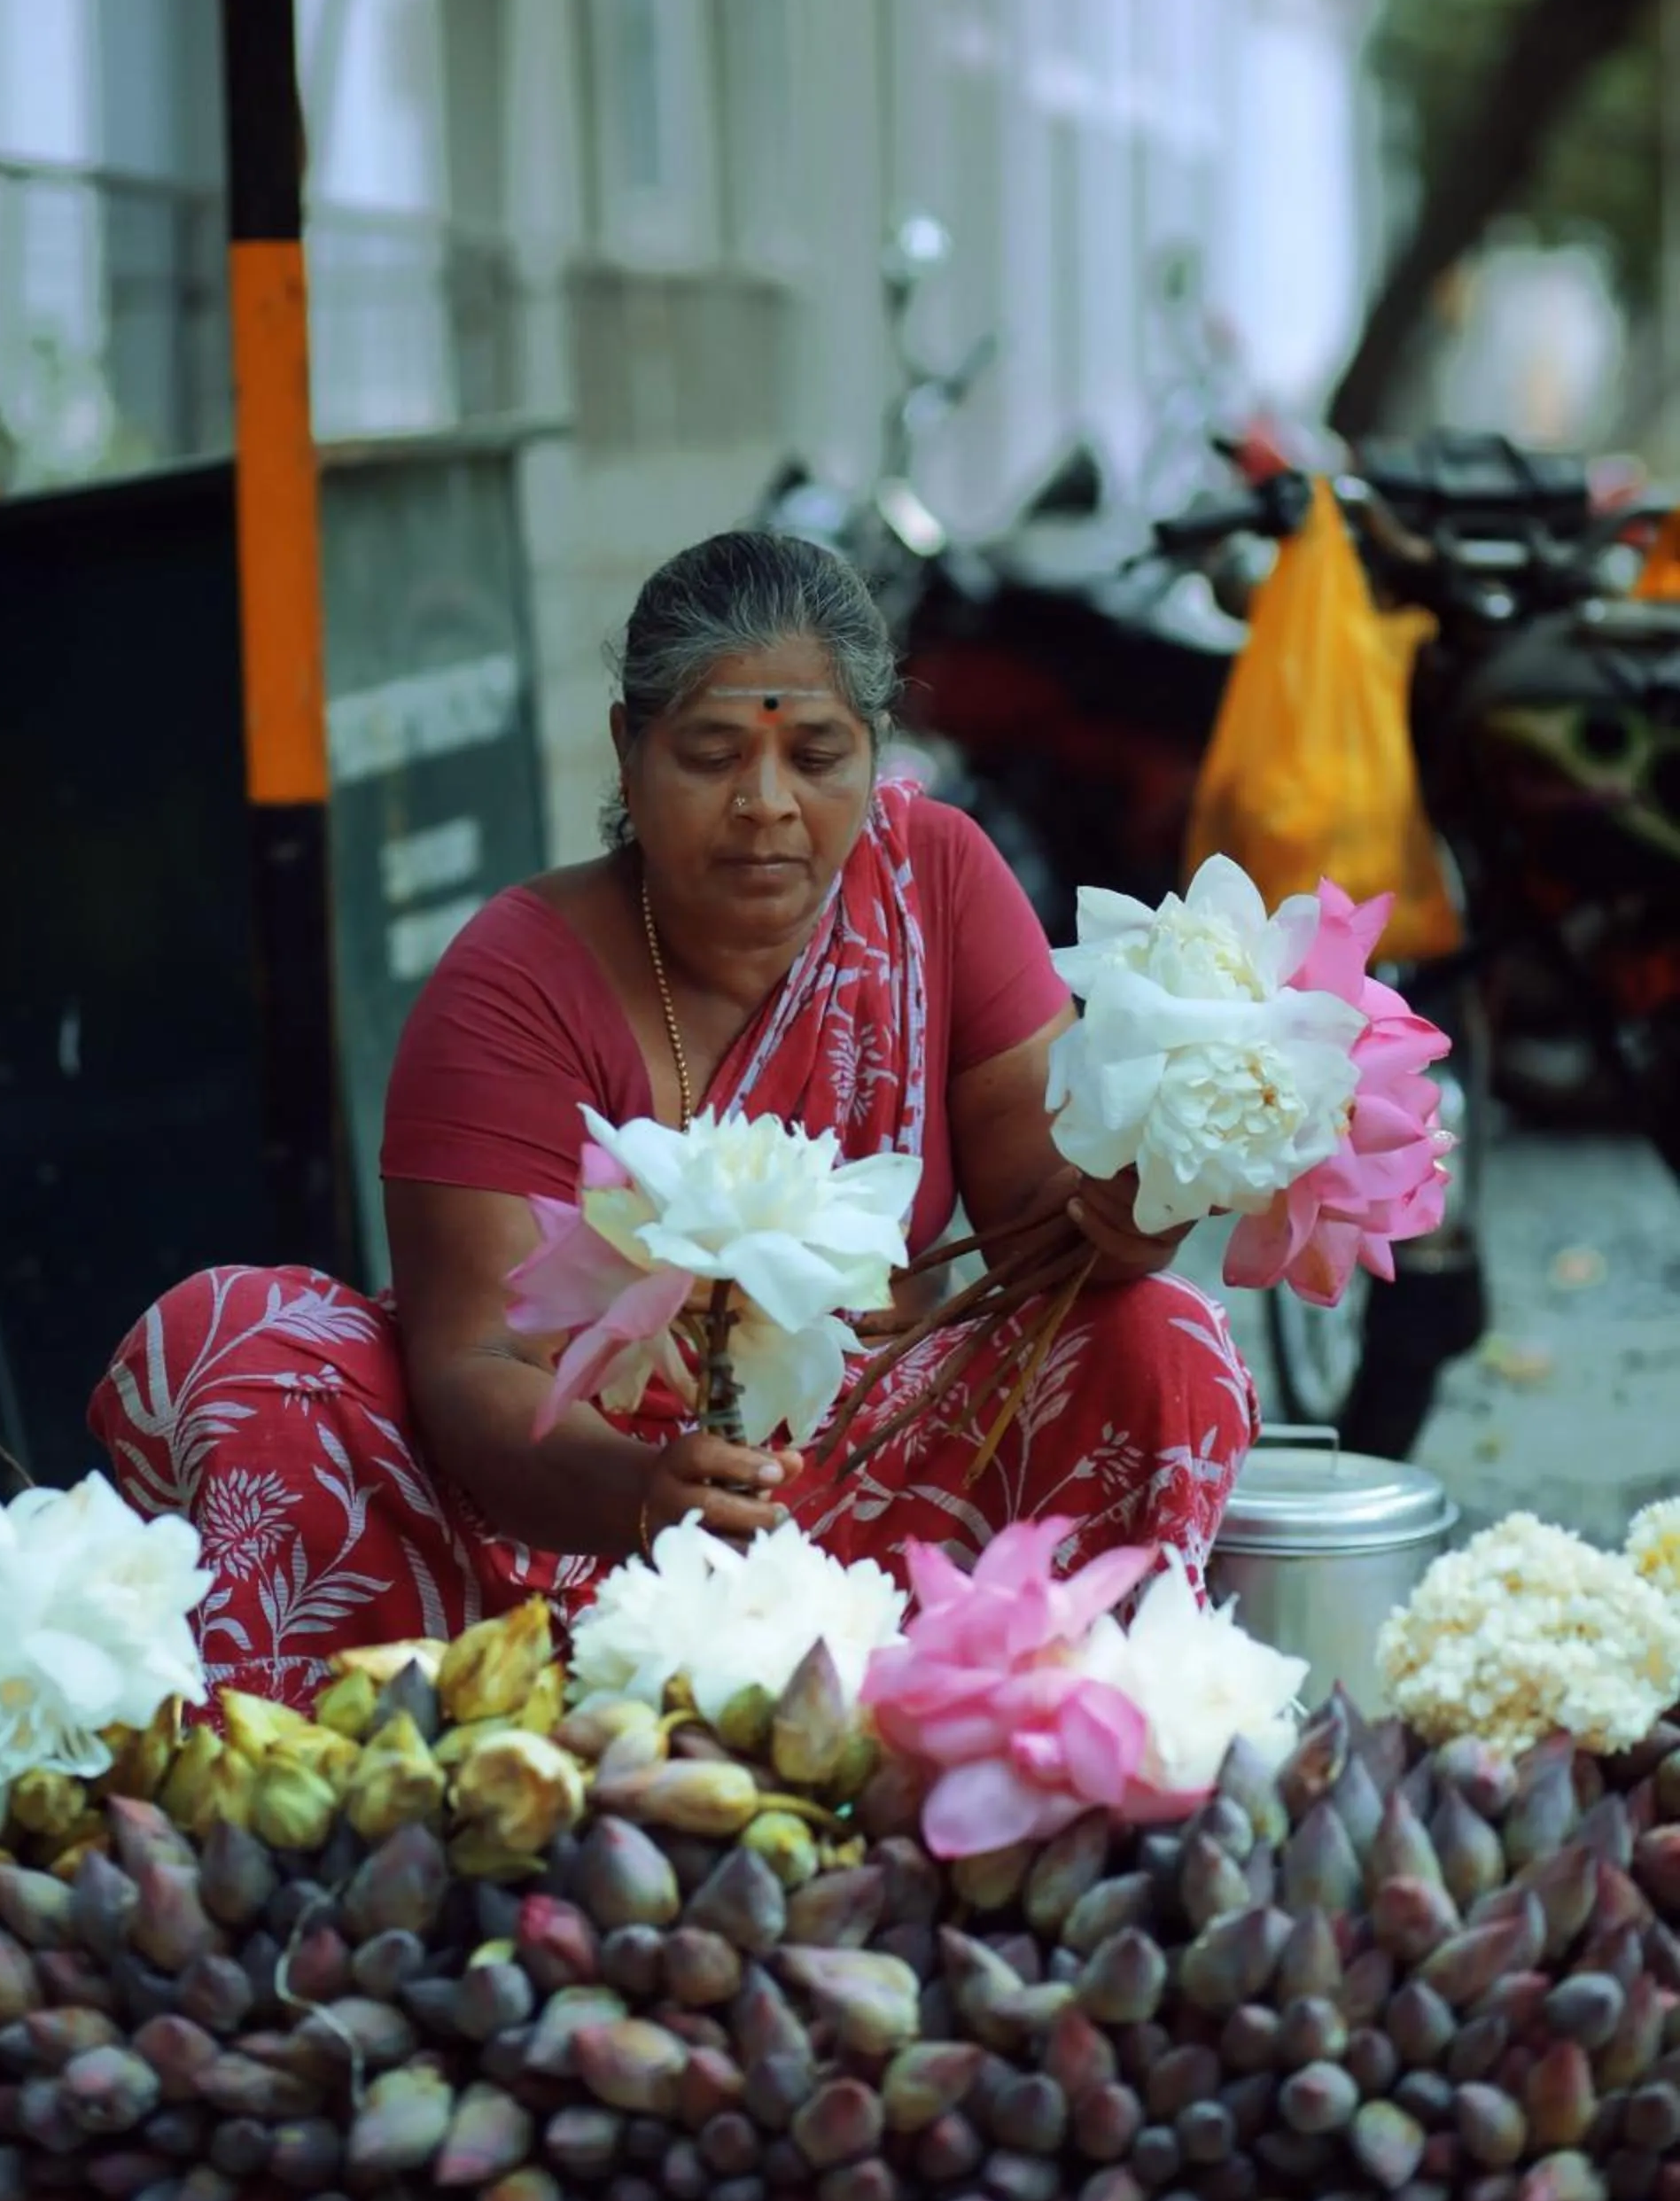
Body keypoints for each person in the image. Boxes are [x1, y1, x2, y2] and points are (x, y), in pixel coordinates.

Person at [92, 532, 1258, 1704]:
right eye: (711, 756)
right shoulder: (515, 976)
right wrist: (646, 1493)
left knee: (1157, 1331)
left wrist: (1138, 1203)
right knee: (242, 1345)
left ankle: (1049, 1733)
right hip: (562, 1517)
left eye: (816, 755)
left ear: (875, 752)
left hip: (873, 1501)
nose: (766, 806)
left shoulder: (935, 882)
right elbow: (479, 1363)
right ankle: (398, 1762)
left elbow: (1036, 1230)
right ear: (627, 751)